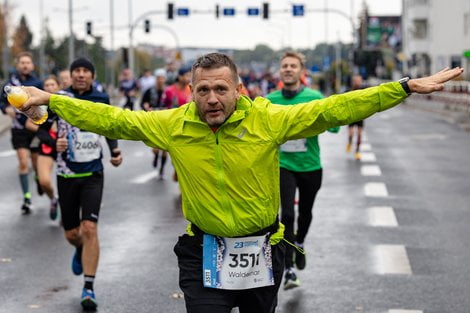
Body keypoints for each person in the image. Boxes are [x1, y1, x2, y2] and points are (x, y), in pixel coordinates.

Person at [22, 53, 462, 313]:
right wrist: (56, 102)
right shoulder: (174, 125)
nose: (212, 99)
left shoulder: (268, 119)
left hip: (261, 251)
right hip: (203, 252)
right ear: (191, 92)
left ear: (238, 90)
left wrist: (402, 86)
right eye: (203, 91)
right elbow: (114, 118)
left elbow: (335, 109)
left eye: (221, 90)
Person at [266, 51, 339, 290]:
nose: (288, 69)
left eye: (293, 66)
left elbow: (334, 126)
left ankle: (299, 242)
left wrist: (331, 119)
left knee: (305, 212)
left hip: (310, 165)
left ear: (301, 71)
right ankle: (288, 269)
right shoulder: (270, 101)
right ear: (280, 71)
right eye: (284, 65)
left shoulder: (314, 97)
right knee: (287, 215)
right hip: (282, 164)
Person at [56, 58, 123, 310]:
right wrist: (54, 141)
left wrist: (114, 151)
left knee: (90, 228)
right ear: (71, 75)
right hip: (66, 174)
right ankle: (80, 248)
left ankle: (88, 287)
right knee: (73, 233)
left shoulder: (101, 98)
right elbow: (41, 125)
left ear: (92, 76)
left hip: (94, 173)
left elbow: (110, 127)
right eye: (77, 71)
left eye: (86, 71)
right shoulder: (60, 98)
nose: (81, 75)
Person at [0, 51, 43, 214]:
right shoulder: (10, 83)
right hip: (18, 129)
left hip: (34, 128)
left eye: (28, 62)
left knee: (35, 163)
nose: (25, 65)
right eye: (22, 62)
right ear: (17, 64)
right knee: (23, 162)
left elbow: (45, 103)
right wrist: (6, 109)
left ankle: (39, 178)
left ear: (32, 65)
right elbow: (1, 102)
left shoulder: (37, 83)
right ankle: (26, 197)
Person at [25, 76, 61, 220]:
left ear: (58, 86)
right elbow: (29, 124)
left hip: (66, 147)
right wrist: (46, 135)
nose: (50, 87)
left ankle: (68, 210)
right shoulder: (39, 105)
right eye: (47, 85)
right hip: (48, 145)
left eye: (52, 84)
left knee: (68, 184)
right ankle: (53, 199)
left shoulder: (66, 102)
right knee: (44, 181)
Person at [141, 68, 168, 177]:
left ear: (164, 79)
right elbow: (143, 103)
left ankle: (162, 168)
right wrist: (146, 107)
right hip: (154, 120)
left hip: (166, 120)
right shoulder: (149, 91)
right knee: (156, 147)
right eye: (158, 78)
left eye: (162, 78)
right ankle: (156, 156)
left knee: (165, 148)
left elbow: (174, 104)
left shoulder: (168, 91)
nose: (160, 80)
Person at [346, 75, 366, 160]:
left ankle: (357, 151)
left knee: (359, 134)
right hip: (351, 116)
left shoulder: (364, 91)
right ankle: (350, 143)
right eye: (356, 81)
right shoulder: (348, 91)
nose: (357, 82)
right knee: (351, 133)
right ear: (353, 82)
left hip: (360, 115)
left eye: (359, 81)